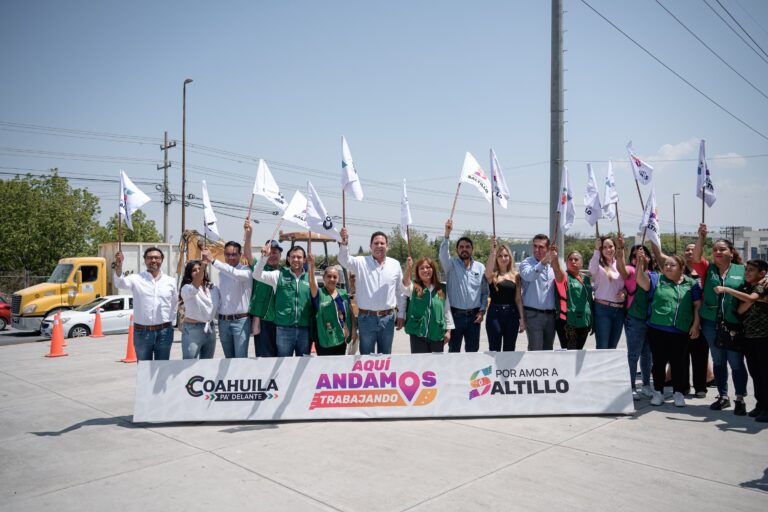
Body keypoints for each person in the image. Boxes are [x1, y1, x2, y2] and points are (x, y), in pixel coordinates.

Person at [691, 224, 748, 414]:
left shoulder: (742, 270)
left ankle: (740, 398)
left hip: (734, 323)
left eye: (722, 249)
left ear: (731, 253)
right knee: (718, 360)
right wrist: (701, 237)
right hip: (710, 322)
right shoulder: (709, 270)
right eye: (715, 249)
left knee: (736, 361)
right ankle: (723, 396)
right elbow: (696, 257)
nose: (717, 252)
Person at [636, 252, 702, 407]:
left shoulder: (690, 283)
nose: (668, 267)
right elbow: (641, 281)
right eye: (666, 265)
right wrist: (640, 264)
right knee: (658, 363)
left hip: (680, 331)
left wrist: (695, 325)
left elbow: (697, 306)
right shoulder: (657, 279)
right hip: (657, 330)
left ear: (681, 268)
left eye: (672, 265)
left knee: (678, 363)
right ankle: (658, 392)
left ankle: (678, 393)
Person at [714, 259, 768, 422]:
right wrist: (755, 299)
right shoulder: (746, 287)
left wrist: (727, 290)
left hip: (764, 337)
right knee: (756, 373)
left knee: (765, 374)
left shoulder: (763, 285)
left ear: (762, 274)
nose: (747, 273)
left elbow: (749, 299)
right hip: (749, 337)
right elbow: (741, 309)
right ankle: (760, 405)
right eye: (746, 270)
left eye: (752, 270)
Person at [338, 227, 404, 355]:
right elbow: (343, 260)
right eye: (376, 243)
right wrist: (344, 243)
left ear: (387, 246)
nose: (379, 246)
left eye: (382, 243)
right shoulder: (360, 262)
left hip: (388, 319)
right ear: (370, 246)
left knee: (385, 358)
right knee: (366, 359)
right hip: (366, 319)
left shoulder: (395, 264)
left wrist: (401, 315)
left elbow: (400, 292)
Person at [113, 247, 177, 360]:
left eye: (157, 258)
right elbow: (119, 283)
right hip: (142, 332)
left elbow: (174, 303)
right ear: (145, 260)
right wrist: (119, 266)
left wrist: (171, 323)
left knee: (162, 369)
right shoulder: (136, 279)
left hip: (164, 333)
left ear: (162, 260)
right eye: (150, 258)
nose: (153, 260)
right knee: (144, 369)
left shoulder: (170, 281)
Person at [253, 244, 312, 356]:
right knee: (283, 366)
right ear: (288, 259)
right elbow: (256, 275)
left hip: (304, 330)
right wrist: (263, 257)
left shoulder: (310, 278)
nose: (296, 259)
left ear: (304, 260)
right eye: (293, 257)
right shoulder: (278, 274)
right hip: (284, 330)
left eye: (299, 257)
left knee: (304, 364)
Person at [439, 219, 488, 352]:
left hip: (474, 318)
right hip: (456, 317)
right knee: (454, 351)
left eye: (467, 247)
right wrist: (447, 235)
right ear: (457, 250)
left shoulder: (480, 267)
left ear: (472, 249)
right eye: (461, 247)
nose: (464, 249)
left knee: (472, 352)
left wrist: (482, 311)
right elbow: (443, 255)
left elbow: (485, 292)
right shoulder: (451, 265)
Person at [203, 237, 252, 358]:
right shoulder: (222, 273)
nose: (231, 257)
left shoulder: (246, 271)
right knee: (228, 359)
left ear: (240, 255)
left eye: (234, 254)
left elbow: (234, 274)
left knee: (240, 360)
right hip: (223, 322)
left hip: (240, 321)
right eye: (228, 254)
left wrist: (213, 261)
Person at [618, 240, 656, 400]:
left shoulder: (654, 274)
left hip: (651, 320)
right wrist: (620, 249)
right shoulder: (632, 271)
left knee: (648, 355)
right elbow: (621, 268)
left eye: (641, 254)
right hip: (635, 319)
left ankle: (646, 385)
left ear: (648, 257)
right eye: (633, 256)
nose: (637, 258)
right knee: (634, 355)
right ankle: (631, 386)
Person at [402, 256, 454, 353]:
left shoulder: (441, 288)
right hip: (418, 334)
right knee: (419, 365)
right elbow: (405, 284)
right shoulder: (414, 287)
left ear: (433, 270)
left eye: (428, 267)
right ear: (417, 271)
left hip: (437, 333)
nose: (425, 270)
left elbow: (446, 310)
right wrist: (408, 269)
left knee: (435, 365)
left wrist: (448, 331)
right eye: (422, 268)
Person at [244, 224, 281, 357]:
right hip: (262, 320)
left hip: (279, 321)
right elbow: (247, 253)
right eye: (269, 252)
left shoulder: (284, 273)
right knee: (264, 357)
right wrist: (249, 234)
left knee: (279, 356)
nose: (272, 255)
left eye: (275, 252)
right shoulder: (258, 268)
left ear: (280, 254)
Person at [308, 252, 354, 356]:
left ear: (338, 279)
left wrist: (353, 333)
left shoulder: (342, 294)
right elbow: (311, 283)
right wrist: (311, 266)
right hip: (324, 340)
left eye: (334, 277)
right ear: (323, 278)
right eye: (329, 276)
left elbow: (349, 315)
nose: (332, 279)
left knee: (338, 368)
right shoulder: (319, 293)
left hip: (340, 338)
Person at [484, 237, 525, 351]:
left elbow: (518, 299)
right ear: (496, 258)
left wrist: (522, 318)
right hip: (494, 315)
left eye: (506, 255)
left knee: (510, 349)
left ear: (510, 257)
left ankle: (507, 370)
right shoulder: (492, 275)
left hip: (512, 315)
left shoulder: (516, 275)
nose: (503, 258)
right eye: (500, 256)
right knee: (494, 349)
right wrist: (492, 251)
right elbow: (487, 273)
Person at [682, 242, 711, 397]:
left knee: (700, 355)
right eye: (687, 249)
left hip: (702, 320)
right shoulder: (678, 270)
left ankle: (700, 387)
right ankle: (683, 386)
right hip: (682, 321)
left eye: (693, 250)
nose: (690, 252)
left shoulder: (706, 271)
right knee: (682, 356)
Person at [551, 246, 593, 350]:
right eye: (570, 259)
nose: (573, 261)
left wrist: (592, 321)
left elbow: (590, 302)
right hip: (568, 323)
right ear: (566, 262)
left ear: (581, 263)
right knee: (569, 355)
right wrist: (555, 258)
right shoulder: (564, 277)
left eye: (576, 259)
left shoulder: (586, 279)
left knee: (578, 353)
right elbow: (557, 270)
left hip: (584, 322)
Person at [519, 234, 556, 351]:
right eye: (534, 246)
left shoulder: (554, 264)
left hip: (551, 316)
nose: (536, 250)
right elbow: (530, 276)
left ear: (548, 248)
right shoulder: (526, 263)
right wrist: (544, 261)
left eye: (541, 247)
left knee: (548, 350)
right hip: (533, 315)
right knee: (536, 350)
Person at [589, 235, 626, 349]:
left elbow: (627, 284)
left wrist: (625, 292)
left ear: (615, 248)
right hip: (603, 310)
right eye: (604, 247)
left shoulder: (621, 264)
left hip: (619, 310)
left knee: (612, 347)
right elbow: (592, 269)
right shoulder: (598, 264)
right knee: (602, 346)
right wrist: (596, 250)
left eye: (611, 246)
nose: (608, 249)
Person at [179, 259, 219, 359]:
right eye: (194, 270)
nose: (198, 271)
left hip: (210, 328)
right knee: (189, 363)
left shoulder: (212, 287)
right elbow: (194, 288)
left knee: (207, 363)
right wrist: (203, 267)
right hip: (193, 329)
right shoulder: (186, 288)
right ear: (189, 273)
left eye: (199, 269)